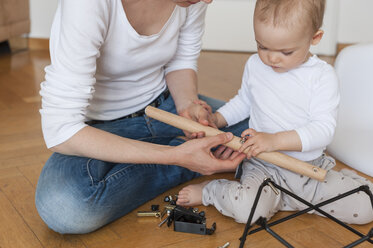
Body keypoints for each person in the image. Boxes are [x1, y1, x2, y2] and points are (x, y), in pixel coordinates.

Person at [35, 0, 249, 234]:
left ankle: (192, 155)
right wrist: (174, 156)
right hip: (100, 129)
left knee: (264, 128)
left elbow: (181, 60)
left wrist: (187, 106)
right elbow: (60, 129)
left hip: (165, 108)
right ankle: (190, 159)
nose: (209, 0)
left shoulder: (193, 0)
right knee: (66, 208)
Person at [177, 0, 373, 225]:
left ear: (314, 38)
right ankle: (211, 191)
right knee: (249, 212)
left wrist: (274, 140)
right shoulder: (255, 65)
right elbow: (244, 101)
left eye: (286, 51)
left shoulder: (322, 76)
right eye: (262, 46)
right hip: (263, 167)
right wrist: (216, 119)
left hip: (309, 170)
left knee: (366, 207)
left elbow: (323, 130)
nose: (271, 58)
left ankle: (287, 198)